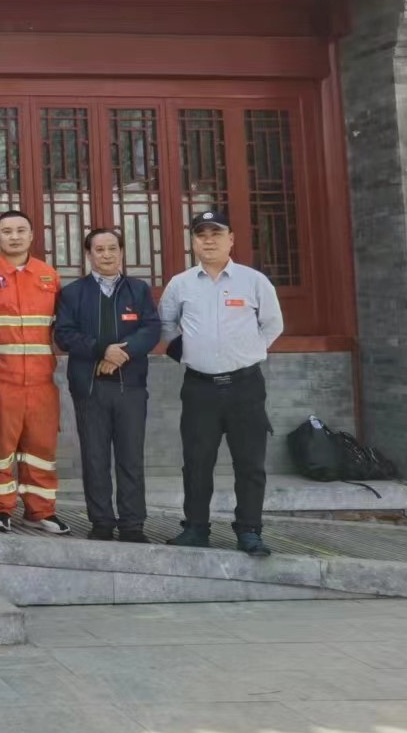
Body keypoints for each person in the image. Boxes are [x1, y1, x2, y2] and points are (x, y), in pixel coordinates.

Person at [160, 210, 284, 557]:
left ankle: (249, 530)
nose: (209, 241)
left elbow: (272, 325)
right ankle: (196, 528)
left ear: (231, 239)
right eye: (202, 235)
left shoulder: (253, 281)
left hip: (245, 387)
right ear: (193, 241)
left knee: (250, 463)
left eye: (216, 234)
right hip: (200, 388)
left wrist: (246, 352)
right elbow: (166, 325)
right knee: (196, 462)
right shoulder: (180, 284)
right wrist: (190, 354)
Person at [53, 228, 162, 543]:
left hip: (131, 387)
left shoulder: (137, 290)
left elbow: (151, 329)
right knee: (95, 457)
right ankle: (101, 522)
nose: (107, 255)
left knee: (131, 457)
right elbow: (64, 334)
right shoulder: (73, 293)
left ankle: (132, 525)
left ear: (122, 251)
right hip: (90, 387)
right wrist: (102, 350)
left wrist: (120, 355)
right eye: (99, 249)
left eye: (112, 248)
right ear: (89, 255)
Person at [0, 210, 68, 534]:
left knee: (41, 449)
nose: (14, 236)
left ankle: (41, 511)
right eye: (7, 231)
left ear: (31, 235)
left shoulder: (48, 276)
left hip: (42, 382)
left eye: (20, 230)